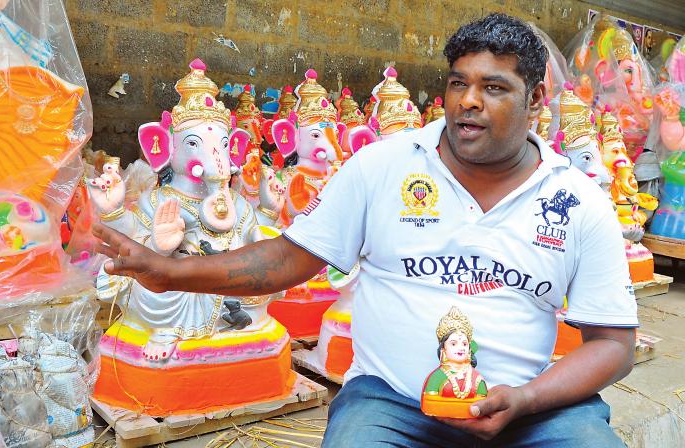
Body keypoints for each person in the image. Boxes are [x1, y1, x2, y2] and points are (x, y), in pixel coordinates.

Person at [93, 14, 637, 447]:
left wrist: (527, 399)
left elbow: (612, 344)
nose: (468, 101)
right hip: (391, 405)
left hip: (530, 411)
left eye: (494, 87)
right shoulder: (384, 165)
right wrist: (172, 272)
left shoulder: (578, 201)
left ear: (536, 98)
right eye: (458, 84)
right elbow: (287, 260)